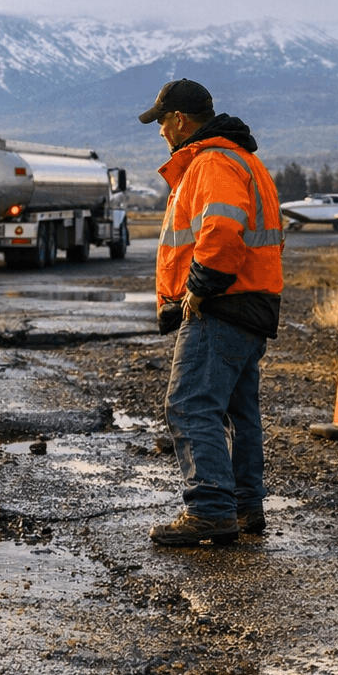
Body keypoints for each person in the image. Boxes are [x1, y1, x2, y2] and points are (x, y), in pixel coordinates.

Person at [138, 80, 284, 546]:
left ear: (180, 120)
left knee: (190, 405)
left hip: (222, 306)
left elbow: (222, 231)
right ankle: (243, 507)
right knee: (238, 411)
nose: (160, 131)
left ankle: (210, 509)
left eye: (162, 121)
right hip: (248, 304)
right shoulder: (243, 159)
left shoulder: (212, 161)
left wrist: (198, 289)